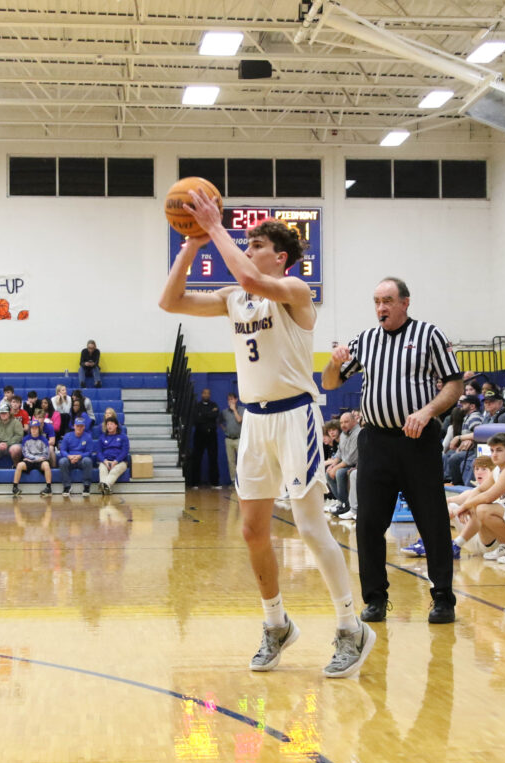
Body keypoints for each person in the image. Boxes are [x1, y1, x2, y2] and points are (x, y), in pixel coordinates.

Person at [160, 191, 374, 679]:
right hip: (255, 422)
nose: (246, 248)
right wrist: (192, 244)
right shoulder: (236, 298)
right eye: (246, 243)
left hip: (295, 416)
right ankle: (276, 624)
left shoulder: (297, 291)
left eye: (254, 243)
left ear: (279, 256)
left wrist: (214, 227)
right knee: (253, 531)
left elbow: (252, 276)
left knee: (312, 526)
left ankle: (350, 627)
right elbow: (169, 300)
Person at [322, 276, 463, 625]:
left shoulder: (429, 334)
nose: (381, 307)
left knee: (432, 522)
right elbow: (329, 382)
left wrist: (428, 411)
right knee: (368, 523)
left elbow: (455, 384)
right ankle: (375, 599)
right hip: (375, 442)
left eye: (387, 300)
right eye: (376, 301)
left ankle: (442, 597)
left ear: (405, 302)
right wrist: (334, 361)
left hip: (418, 441)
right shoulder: (365, 340)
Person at [448, 433, 505, 564]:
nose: (494, 454)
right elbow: (479, 490)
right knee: (478, 506)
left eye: (499, 450)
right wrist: (468, 505)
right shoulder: (497, 471)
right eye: (492, 450)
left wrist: (463, 507)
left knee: (483, 508)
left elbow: (489, 496)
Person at [325, 412, 360, 518]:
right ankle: (343, 502)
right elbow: (339, 453)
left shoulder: (358, 433)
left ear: (354, 421)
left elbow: (350, 458)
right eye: (341, 422)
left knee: (339, 473)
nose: (343, 425)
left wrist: (335, 468)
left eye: (346, 422)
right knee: (328, 472)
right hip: (345, 463)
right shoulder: (344, 434)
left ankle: (348, 505)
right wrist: (332, 466)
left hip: (356, 464)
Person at [12, 419, 53, 496]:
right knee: (19, 465)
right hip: (30, 460)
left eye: (36, 428)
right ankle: (15, 488)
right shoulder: (25, 439)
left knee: (46, 465)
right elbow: (25, 452)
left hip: (39, 460)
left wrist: (35, 459)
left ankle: (48, 488)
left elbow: (46, 454)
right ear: (30, 429)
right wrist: (35, 459)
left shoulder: (44, 439)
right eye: (32, 428)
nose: (34, 430)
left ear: (39, 429)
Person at [190, 388, 220, 489]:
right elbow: (196, 419)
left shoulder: (214, 405)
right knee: (197, 459)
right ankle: (194, 483)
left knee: (213, 458)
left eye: (208, 393)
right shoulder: (197, 406)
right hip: (199, 435)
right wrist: (208, 415)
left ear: (210, 395)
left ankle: (214, 483)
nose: (206, 395)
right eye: (204, 393)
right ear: (202, 394)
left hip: (212, 435)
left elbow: (215, 415)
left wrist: (203, 415)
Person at [58, 416, 95, 496]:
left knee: (88, 461)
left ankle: (86, 486)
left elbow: (89, 452)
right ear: (74, 426)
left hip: (81, 459)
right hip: (70, 459)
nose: (79, 428)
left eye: (81, 426)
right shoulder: (67, 436)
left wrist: (79, 456)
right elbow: (62, 450)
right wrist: (69, 456)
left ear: (84, 427)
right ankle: (67, 486)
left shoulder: (88, 437)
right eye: (77, 426)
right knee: (62, 461)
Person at [96, 417, 130, 495]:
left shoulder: (123, 437)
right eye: (107, 424)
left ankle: (105, 485)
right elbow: (98, 452)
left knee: (114, 471)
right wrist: (105, 461)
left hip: (120, 462)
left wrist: (116, 461)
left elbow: (125, 451)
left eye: (111, 424)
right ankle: (106, 489)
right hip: (105, 460)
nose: (109, 426)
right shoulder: (102, 437)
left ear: (116, 425)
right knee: (102, 469)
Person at [0, 402, 23, 468]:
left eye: (5, 413)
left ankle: (16, 466)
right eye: (1, 413)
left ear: (9, 413)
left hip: (12, 445)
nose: (3, 415)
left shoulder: (16, 423)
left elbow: (19, 435)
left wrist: (8, 443)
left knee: (15, 449)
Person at [220, 392, 244, 487]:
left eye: (232, 399)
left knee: (242, 461)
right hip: (229, 439)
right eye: (229, 399)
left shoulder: (242, 409)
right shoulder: (224, 412)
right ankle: (233, 481)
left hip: (239, 439)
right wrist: (225, 429)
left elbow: (239, 420)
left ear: (236, 400)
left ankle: (242, 481)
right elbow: (220, 422)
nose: (230, 401)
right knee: (231, 461)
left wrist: (234, 410)